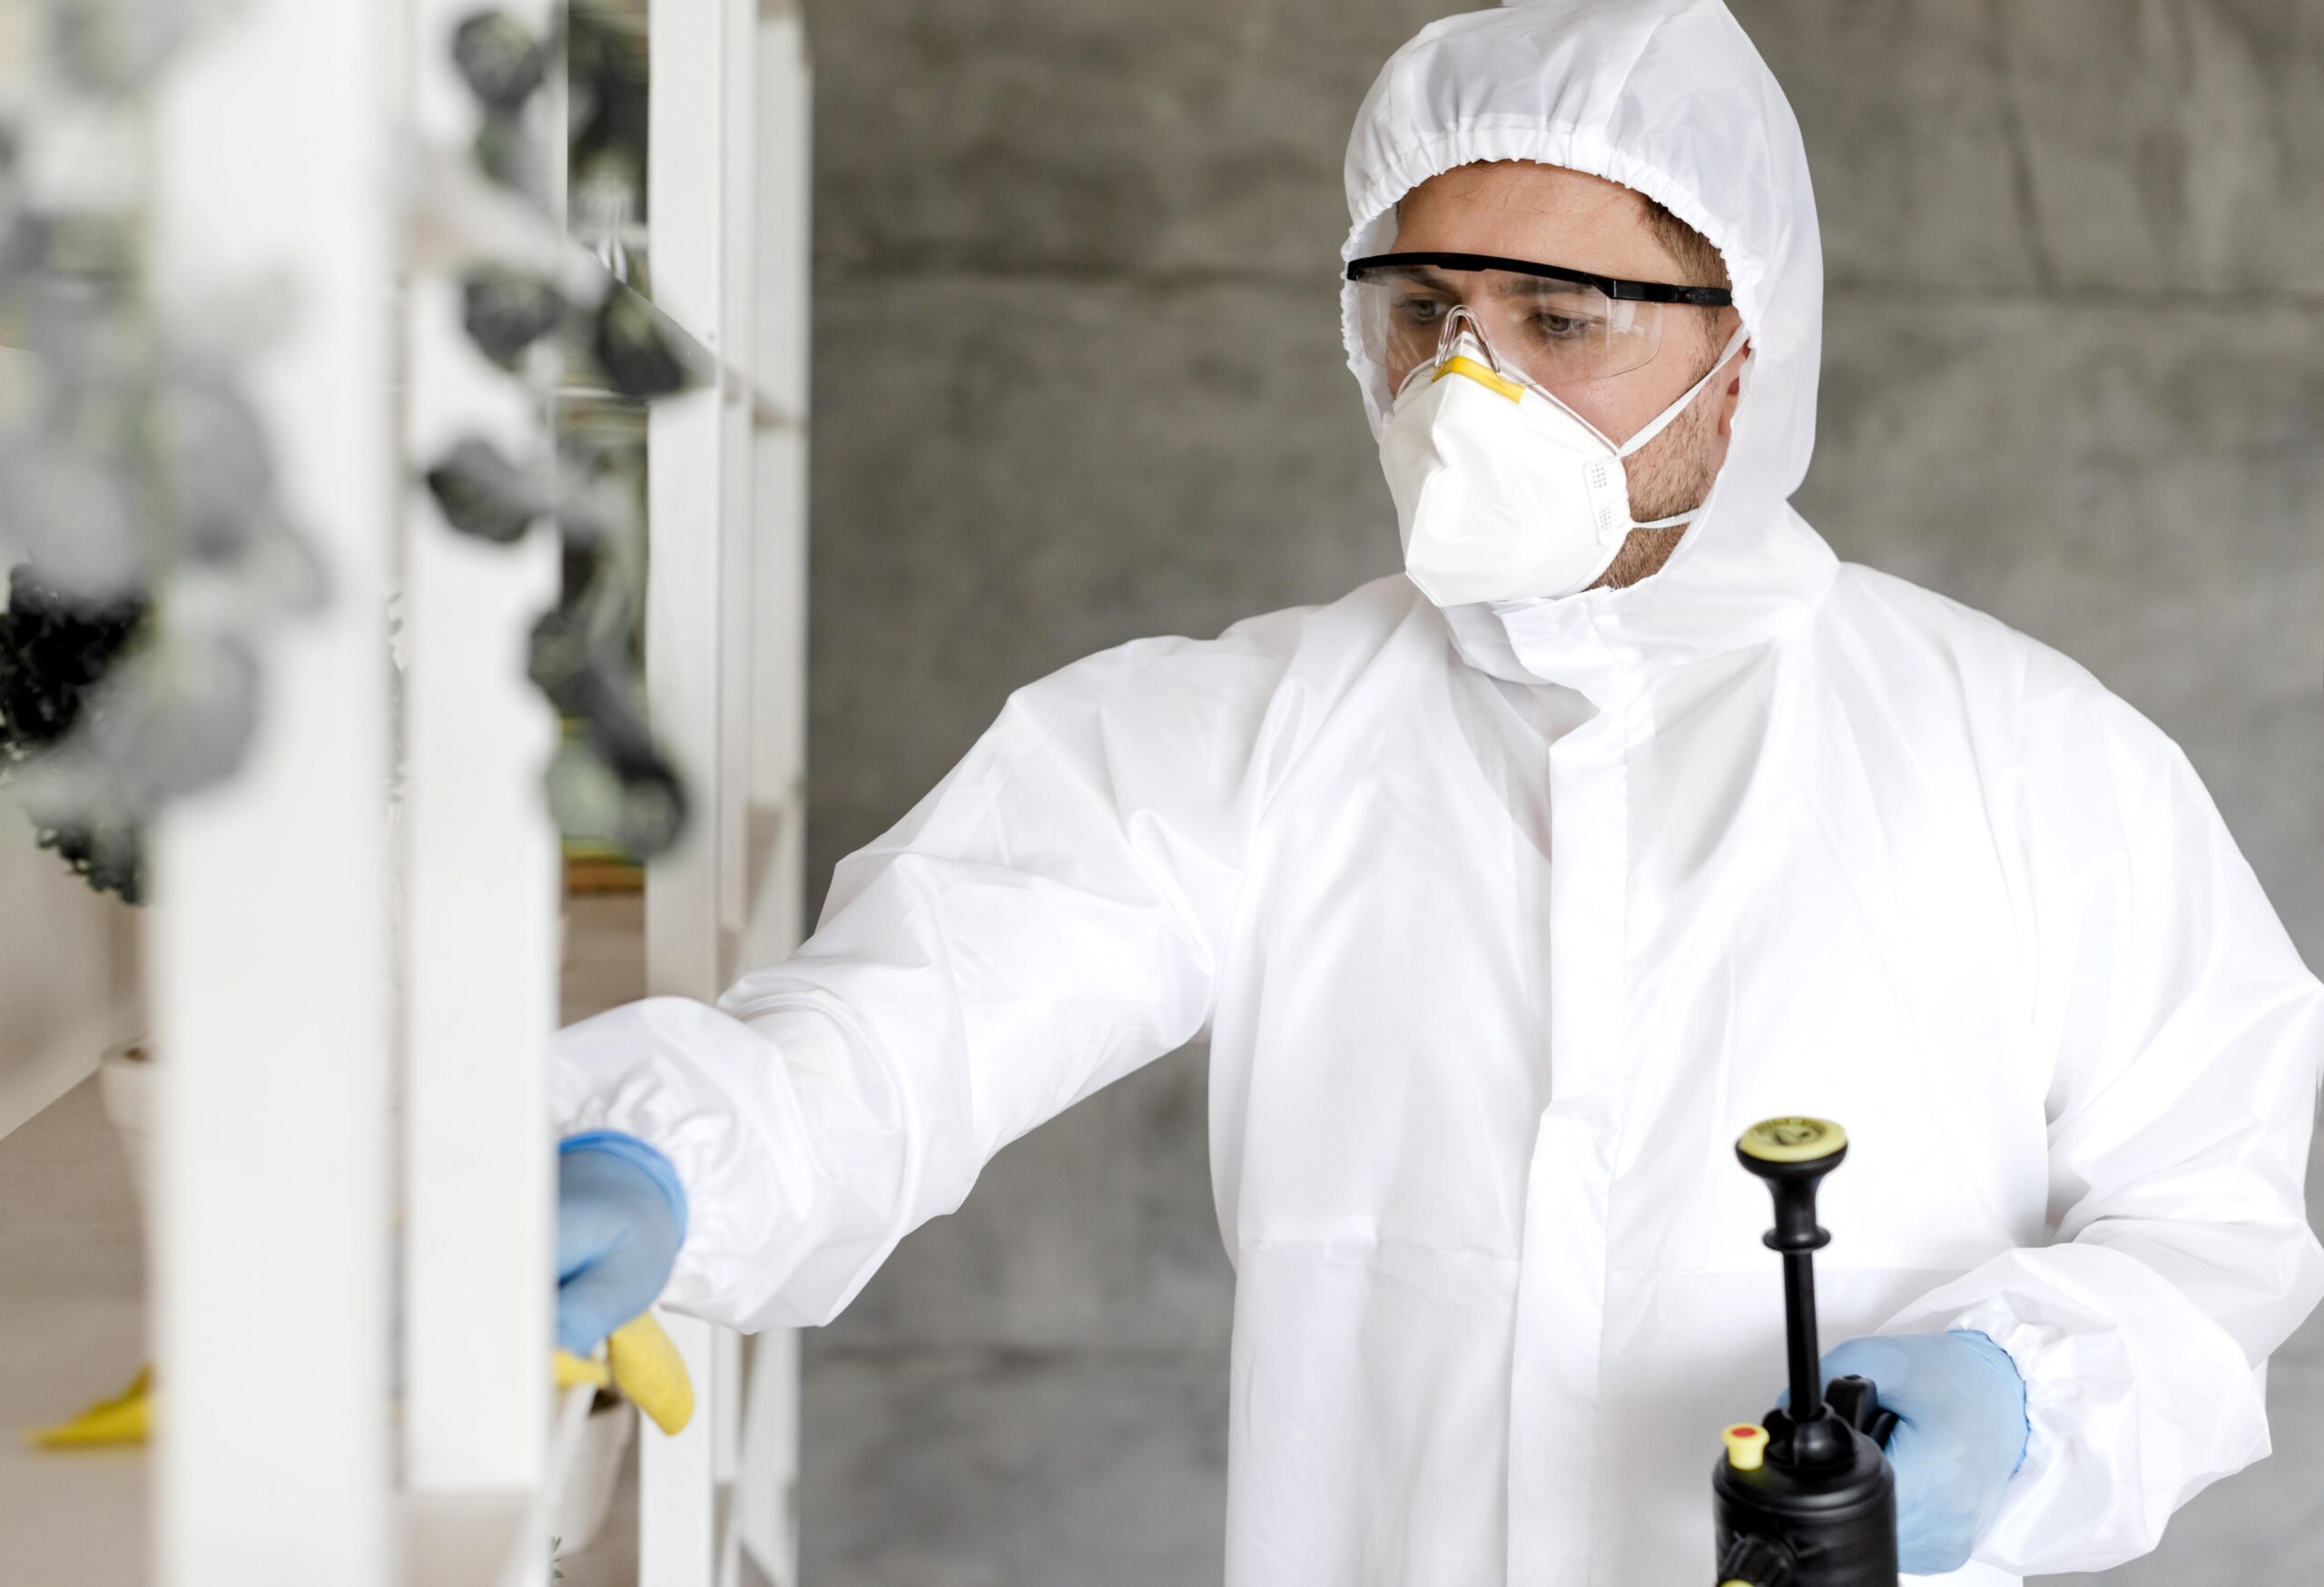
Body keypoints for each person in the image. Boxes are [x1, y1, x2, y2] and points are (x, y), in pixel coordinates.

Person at [548, 2, 2324, 1582]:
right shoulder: (1255, 734)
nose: (1462, 391)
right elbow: (914, 1020)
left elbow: (2206, 1234)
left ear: (1745, 357)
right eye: (1422, 315)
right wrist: (673, 1166)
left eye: (1559, 319)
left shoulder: (2026, 757)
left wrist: (2022, 1396)